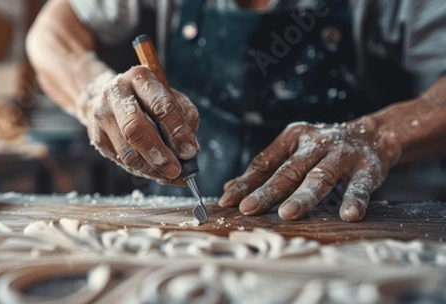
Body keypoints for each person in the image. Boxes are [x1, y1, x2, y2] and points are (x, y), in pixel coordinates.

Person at [26, 0, 446, 222]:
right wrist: (93, 91)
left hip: (355, 224)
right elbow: (50, 33)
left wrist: (379, 134)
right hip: (185, 214)